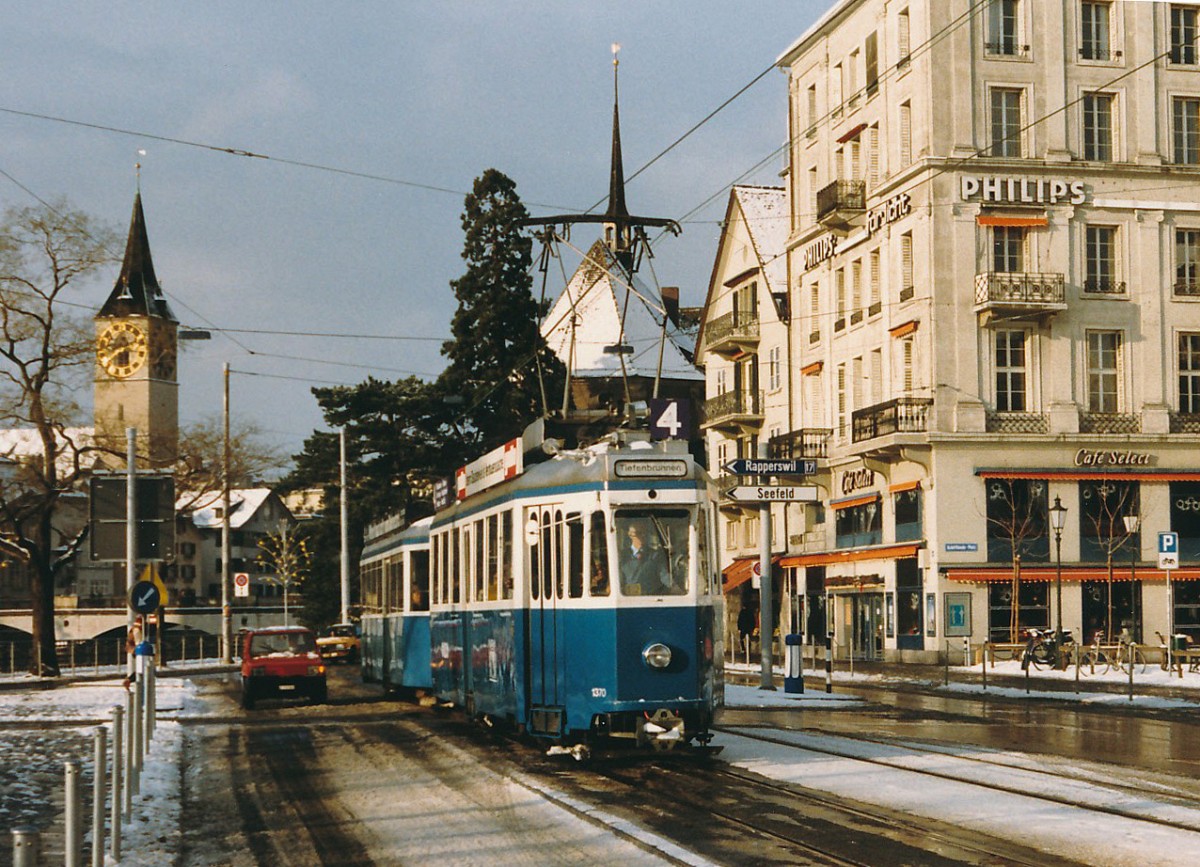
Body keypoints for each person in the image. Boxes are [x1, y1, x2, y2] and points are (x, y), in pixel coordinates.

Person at [621, 523, 670, 595]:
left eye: (645, 533)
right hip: (627, 599)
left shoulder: (655, 555)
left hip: (650, 599)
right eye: (639, 533)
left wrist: (675, 587)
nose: (643, 536)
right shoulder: (622, 556)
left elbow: (664, 575)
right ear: (630, 535)